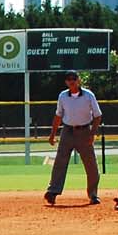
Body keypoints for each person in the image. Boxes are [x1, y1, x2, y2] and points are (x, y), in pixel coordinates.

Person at [44, 70, 103, 206]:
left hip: (84, 131)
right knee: (60, 162)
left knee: (91, 165)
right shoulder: (63, 96)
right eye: (69, 79)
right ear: (66, 82)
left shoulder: (88, 95)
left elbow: (97, 115)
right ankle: (53, 192)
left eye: (74, 78)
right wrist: (52, 134)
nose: (72, 81)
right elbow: (58, 116)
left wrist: (92, 134)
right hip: (67, 131)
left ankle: (93, 194)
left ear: (79, 80)